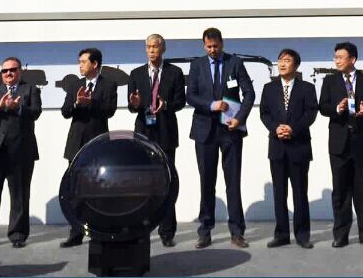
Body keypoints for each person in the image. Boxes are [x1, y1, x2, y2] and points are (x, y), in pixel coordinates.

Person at [186, 27, 255, 249]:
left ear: (222, 44)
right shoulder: (197, 65)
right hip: (204, 130)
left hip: (230, 130)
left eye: (216, 46)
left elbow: (249, 93)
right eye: (209, 46)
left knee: (233, 182)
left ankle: (237, 232)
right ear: (203, 45)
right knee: (207, 181)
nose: (213, 50)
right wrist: (211, 105)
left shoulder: (235, 63)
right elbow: (190, 95)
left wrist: (240, 118)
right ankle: (205, 231)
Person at [319, 41, 363, 249]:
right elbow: (323, 107)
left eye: (340, 57)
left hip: (362, 142)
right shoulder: (330, 81)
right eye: (335, 57)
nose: (336, 60)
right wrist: (337, 109)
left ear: (352, 59)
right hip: (339, 142)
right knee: (340, 191)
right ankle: (341, 235)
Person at [0, 57, 42, 249]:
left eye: (12, 70)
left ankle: (18, 235)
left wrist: (18, 108)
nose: (8, 73)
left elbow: (35, 112)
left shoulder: (31, 89)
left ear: (20, 71)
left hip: (21, 151)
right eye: (4, 71)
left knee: (20, 196)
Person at [127, 34, 187, 247]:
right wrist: (136, 104)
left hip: (165, 132)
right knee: (142, 182)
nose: (152, 50)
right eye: (148, 47)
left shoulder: (174, 72)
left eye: (155, 47)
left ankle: (167, 231)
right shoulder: (136, 74)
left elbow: (181, 101)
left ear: (163, 49)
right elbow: (131, 106)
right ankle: (142, 229)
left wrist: (166, 105)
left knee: (166, 181)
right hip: (143, 132)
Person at [260, 48, 318, 249]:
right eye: (280, 60)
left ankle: (302, 235)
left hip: (299, 146)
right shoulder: (269, 88)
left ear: (296, 65)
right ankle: (281, 234)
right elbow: (264, 113)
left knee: (300, 192)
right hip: (277, 146)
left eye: (287, 60)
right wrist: (276, 128)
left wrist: (292, 129)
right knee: (279, 193)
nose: (282, 64)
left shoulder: (307, 88)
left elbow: (310, 114)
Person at [59, 47, 117, 248]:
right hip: (76, 142)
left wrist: (91, 102)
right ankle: (76, 233)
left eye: (83, 62)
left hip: (98, 142)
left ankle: (99, 230)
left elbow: (109, 111)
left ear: (95, 64)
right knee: (76, 189)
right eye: (79, 62)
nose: (80, 66)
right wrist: (77, 102)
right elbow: (65, 112)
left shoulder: (109, 84)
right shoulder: (75, 84)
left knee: (99, 188)